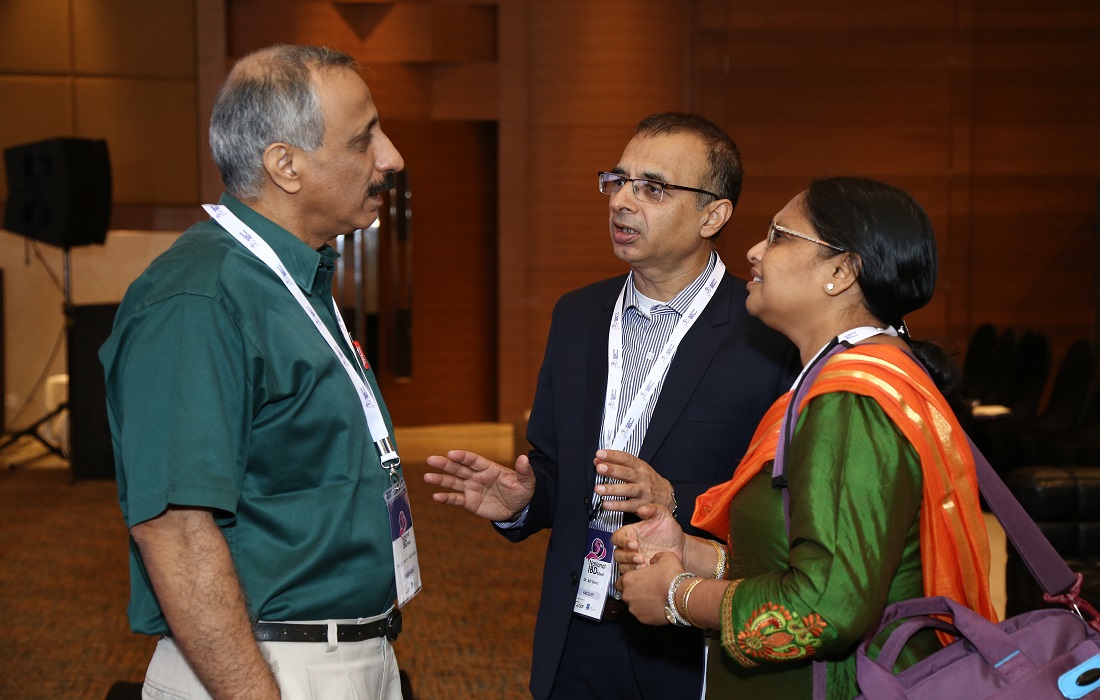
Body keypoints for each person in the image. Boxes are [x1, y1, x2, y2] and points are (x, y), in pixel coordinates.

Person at [423, 113, 796, 699]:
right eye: (618, 181)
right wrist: (525, 500)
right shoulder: (577, 316)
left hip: (690, 634)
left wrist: (675, 498)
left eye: (653, 188)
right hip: (577, 628)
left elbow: (784, 499)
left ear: (713, 215)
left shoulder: (767, 334)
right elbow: (558, 468)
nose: (622, 201)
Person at [99, 44, 414, 699]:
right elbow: (176, 528)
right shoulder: (200, 299)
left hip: (345, 655)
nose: (391, 157)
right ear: (285, 165)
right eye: (364, 139)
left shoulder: (295, 281)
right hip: (262, 669)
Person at [609, 176, 998, 698]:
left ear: (841, 272)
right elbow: (819, 564)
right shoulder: (849, 377)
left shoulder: (852, 401)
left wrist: (679, 596)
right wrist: (692, 552)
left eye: (778, 236)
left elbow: (824, 609)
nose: (754, 251)